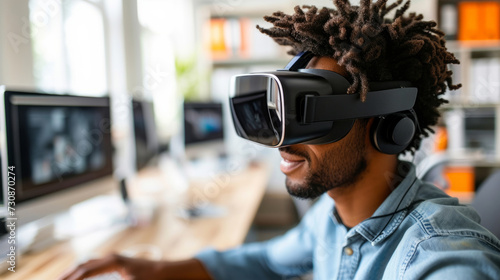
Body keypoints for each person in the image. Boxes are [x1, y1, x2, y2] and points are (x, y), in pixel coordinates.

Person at [59, 1, 500, 279]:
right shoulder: (331, 217)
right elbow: (267, 261)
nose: (281, 146)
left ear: (384, 122)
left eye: (307, 115)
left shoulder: (436, 255)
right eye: (277, 118)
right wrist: (152, 268)